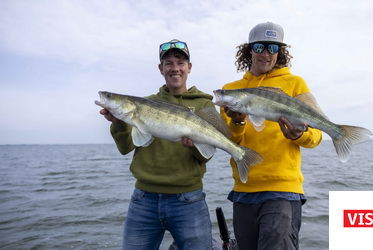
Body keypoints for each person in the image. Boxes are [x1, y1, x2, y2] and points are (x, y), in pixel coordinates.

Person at [99, 39, 214, 250]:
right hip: (144, 200)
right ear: (160, 69)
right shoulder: (144, 103)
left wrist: (194, 145)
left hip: (189, 200)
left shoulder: (204, 105)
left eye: (180, 63)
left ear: (189, 68)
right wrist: (118, 123)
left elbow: (206, 155)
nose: (175, 68)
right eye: (168, 63)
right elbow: (125, 148)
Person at [219, 22, 323, 250]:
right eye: (259, 47)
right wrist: (237, 121)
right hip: (243, 191)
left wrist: (298, 136)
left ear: (280, 53)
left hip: (283, 191)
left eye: (273, 48)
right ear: (249, 50)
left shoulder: (295, 84)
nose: (265, 54)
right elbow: (229, 142)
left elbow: (315, 136)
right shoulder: (231, 90)